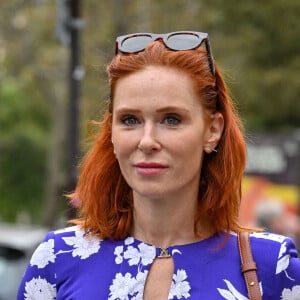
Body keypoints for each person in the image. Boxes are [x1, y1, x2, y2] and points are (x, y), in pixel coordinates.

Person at [18, 31, 300, 299]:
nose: (147, 141)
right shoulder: (58, 258)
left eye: (171, 119)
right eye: (130, 120)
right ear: (112, 133)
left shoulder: (272, 267)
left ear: (212, 130)